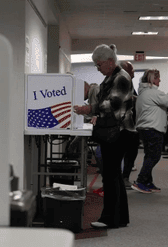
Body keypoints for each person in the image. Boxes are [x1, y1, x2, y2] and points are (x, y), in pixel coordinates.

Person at [73, 44, 132, 229]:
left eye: (99, 65)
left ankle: (109, 219)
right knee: (113, 176)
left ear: (109, 61)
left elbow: (111, 104)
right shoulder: (112, 77)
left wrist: (89, 109)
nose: (97, 69)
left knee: (110, 177)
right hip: (117, 132)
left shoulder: (120, 77)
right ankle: (120, 218)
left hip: (118, 133)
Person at [132, 69, 168, 193]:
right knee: (154, 156)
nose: (160, 80)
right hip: (152, 128)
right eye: (158, 78)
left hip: (147, 128)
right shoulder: (151, 93)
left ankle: (147, 181)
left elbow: (164, 100)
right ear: (152, 79)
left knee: (149, 156)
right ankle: (141, 181)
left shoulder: (145, 92)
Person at [119, 61, 139, 189]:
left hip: (132, 125)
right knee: (122, 152)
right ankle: (120, 178)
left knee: (132, 151)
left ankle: (125, 177)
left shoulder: (130, 83)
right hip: (121, 125)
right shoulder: (120, 82)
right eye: (131, 69)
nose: (133, 72)